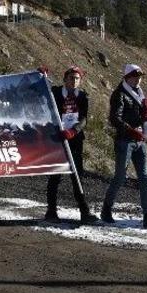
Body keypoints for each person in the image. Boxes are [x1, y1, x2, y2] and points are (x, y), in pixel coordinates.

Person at [102, 64, 147, 228]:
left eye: (139, 76)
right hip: (125, 140)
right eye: (135, 76)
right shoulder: (119, 95)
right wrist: (131, 131)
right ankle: (106, 208)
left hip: (139, 140)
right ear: (127, 77)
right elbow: (115, 118)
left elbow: (144, 118)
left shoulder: (139, 94)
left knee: (145, 177)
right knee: (120, 176)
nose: (138, 79)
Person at [46, 66, 97, 224]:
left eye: (77, 78)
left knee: (77, 175)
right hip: (57, 139)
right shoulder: (55, 92)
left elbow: (84, 119)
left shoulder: (82, 97)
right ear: (65, 79)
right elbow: (39, 91)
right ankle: (51, 211)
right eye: (71, 78)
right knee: (55, 175)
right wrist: (41, 75)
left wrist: (74, 131)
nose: (74, 81)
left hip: (75, 140)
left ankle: (84, 212)